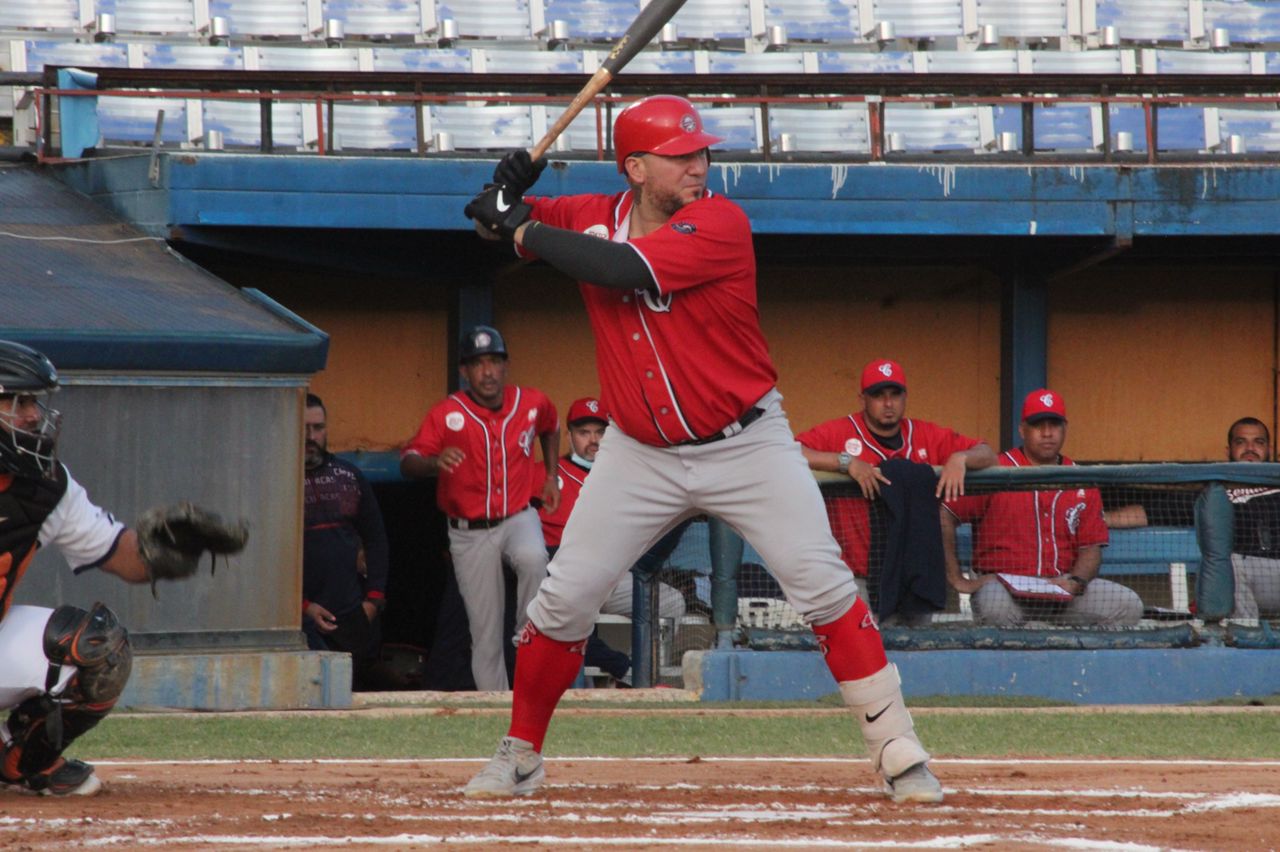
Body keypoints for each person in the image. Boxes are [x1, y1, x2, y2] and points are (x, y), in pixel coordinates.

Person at [460, 95, 942, 802]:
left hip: (745, 442)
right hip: (640, 451)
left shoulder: (720, 221)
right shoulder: (590, 211)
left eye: (701, 151)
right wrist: (505, 191)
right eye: (680, 155)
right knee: (563, 600)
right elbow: (487, 221)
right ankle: (521, 753)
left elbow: (618, 266)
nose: (699, 164)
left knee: (822, 582)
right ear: (635, 166)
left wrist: (522, 228)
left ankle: (898, 747)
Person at [0, 340, 245, 797]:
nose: (33, 415)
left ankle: (19, 759)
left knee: (100, 646)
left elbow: (120, 554)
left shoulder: (46, 486)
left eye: (34, 401)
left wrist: (164, 549)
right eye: (17, 401)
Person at [400, 325, 560, 691]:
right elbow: (408, 462)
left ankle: (527, 631)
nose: (487, 371)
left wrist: (550, 475)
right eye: (477, 364)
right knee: (485, 634)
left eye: (494, 361)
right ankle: (497, 709)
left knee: (535, 557)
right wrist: (433, 462)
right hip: (469, 532)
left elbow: (550, 427)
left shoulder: (532, 402)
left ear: (505, 366)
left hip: (517, 516)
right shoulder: (446, 414)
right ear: (464, 371)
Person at [796, 359, 996, 613]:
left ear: (905, 397)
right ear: (862, 399)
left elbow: (988, 453)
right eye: (878, 395)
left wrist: (961, 457)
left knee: (915, 650)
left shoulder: (925, 434)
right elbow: (790, 451)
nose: (888, 404)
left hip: (911, 577)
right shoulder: (839, 432)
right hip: (854, 576)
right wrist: (845, 462)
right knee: (862, 649)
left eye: (895, 394)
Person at [940, 389, 1143, 627]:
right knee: (995, 607)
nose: (1047, 433)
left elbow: (1091, 548)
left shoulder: (1082, 479)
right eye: (1038, 425)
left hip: (1061, 590)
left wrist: (1075, 582)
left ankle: (1079, 663)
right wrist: (956, 578)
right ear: (1022, 430)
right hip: (1005, 588)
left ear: (1065, 428)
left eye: (1054, 425)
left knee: (1128, 606)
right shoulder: (996, 471)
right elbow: (945, 514)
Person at [534, 397, 687, 685]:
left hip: (614, 577)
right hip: (564, 577)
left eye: (600, 432)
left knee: (672, 603)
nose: (593, 440)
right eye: (584, 432)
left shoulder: (627, 478)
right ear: (569, 437)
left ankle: (642, 674)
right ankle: (626, 671)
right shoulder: (544, 476)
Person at [302, 393, 390, 690]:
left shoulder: (349, 477)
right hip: (299, 621)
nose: (310, 437)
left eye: (317, 428)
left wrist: (374, 601)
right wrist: (303, 607)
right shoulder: (278, 482)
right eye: (303, 429)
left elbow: (376, 539)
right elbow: (265, 557)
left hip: (352, 618)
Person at [1225, 417, 1280, 619]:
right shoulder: (1215, 490)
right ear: (1228, 450)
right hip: (1245, 572)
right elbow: (1151, 512)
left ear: (1268, 449)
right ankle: (1245, 634)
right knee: (1230, 560)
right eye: (1241, 442)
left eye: (1258, 442)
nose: (1250, 448)